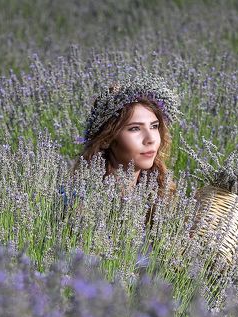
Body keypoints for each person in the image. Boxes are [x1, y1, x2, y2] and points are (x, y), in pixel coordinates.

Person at [66, 76, 180, 226]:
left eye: (154, 126)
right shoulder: (79, 203)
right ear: (107, 139)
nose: (150, 139)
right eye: (135, 129)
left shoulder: (165, 198)